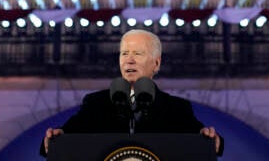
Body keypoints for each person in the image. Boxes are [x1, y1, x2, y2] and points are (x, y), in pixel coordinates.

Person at [40, 29, 224, 157]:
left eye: (137, 54)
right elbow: (65, 137)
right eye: (124, 53)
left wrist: (212, 138)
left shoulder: (176, 108)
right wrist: (55, 138)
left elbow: (202, 139)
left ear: (156, 63)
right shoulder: (96, 103)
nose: (129, 61)